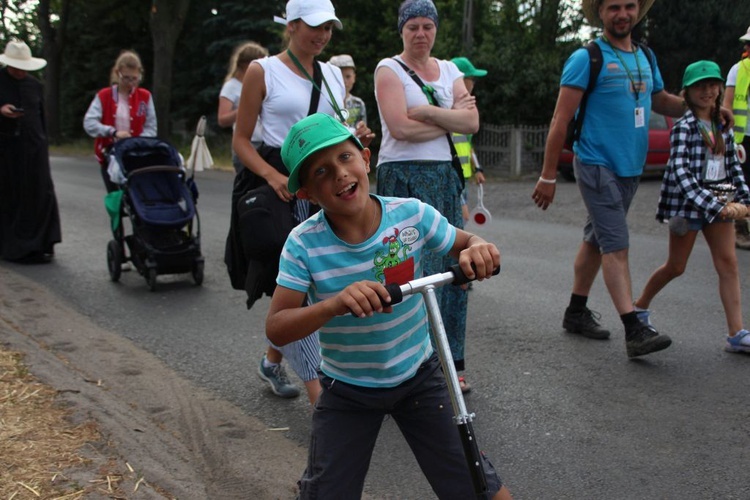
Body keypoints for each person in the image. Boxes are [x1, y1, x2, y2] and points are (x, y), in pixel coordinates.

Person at [267, 112, 512, 500]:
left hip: (420, 374)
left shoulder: (410, 214)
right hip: (346, 388)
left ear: (366, 159)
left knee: (476, 483)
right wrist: (334, 305)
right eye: (320, 172)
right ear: (307, 195)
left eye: (345, 159)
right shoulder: (303, 245)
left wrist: (479, 247)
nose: (339, 175)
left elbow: (466, 242)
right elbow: (277, 327)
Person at [531, 0, 733, 358]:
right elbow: (560, 120)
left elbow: (660, 101)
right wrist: (548, 176)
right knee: (616, 243)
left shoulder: (646, 56)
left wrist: (705, 109)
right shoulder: (586, 58)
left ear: (637, 11)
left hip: (631, 167)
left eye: (628, 6)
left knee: (596, 239)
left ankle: (575, 312)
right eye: (613, 7)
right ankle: (634, 328)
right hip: (596, 163)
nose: (622, 14)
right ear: (601, 14)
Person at [229, 0, 375, 405]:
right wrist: (273, 175)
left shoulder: (332, 74)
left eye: (328, 26)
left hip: (323, 183)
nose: (323, 34)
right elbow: (242, 140)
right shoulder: (263, 70)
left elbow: (334, 131)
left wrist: (354, 137)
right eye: (314, 26)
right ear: (291, 25)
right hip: (278, 181)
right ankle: (320, 396)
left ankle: (272, 359)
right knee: (302, 287)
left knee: (318, 279)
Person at [375, 0, 478, 392]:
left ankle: (452, 361)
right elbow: (399, 129)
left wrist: (428, 113)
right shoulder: (388, 68)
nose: (420, 33)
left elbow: (472, 122)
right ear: (402, 30)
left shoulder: (450, 69)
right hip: (402, 176)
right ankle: (407, 363)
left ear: (436, 29)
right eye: (413, 26)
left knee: (453, 268)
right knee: (405, 269)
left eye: (427, 26)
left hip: (442, 176)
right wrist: (449, 115)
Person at [633, 60, 750, 354]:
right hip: (688, 206)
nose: (708, 91)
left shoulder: (722, 126)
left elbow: (734, 166)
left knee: (728, 263)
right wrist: (713, 206)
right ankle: (638, 308)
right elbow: (681, 174)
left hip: (720, 204)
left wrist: (745, 200)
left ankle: (736, 333)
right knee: (676, 266)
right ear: (687, 92)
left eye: (712, 85)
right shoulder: (684, 128)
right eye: (700, 86)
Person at [0, 40, 61, 263]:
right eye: (15, 67)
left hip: (35, 148)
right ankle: (14, 247)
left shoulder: (35, 85)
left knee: (40, 192)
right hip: (7, 151)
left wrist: (44, 143)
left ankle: (43, 243)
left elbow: (41, 116)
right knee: (11, 196)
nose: (19, 72)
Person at [83, 50, 157, 193]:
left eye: (135, 78)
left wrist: (138, 141)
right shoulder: (104, 95)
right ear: (117, 73)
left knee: (138, 196)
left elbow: (151, 127)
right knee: (115, 197)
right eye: (126, 78)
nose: (130, 83)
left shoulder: (145, 96)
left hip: (136, 154)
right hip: (110, 155)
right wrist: (112, 132)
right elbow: (89, 123)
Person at [217, 41, 269, 174]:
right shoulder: (232, 86)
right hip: (248, 143)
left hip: (265, 142)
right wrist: (247, 107)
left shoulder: (262, 84)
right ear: (245, 64)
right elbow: (222, 119)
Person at [722, 26, 750, 250]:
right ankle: (740, 229)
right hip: (743, 138)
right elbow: (728, 103)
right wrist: (729, 136)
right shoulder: (738, 70)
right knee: (743, 185)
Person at [451, 56, 487, 224]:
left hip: (463, 177)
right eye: (471, 79)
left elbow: (468, 146)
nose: (473, 84)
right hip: (452, 178)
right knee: (460, 221)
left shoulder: (467, 111)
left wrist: (477, 168)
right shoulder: (447, 111)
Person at [328, 54, 367, 130]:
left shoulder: (358, 103)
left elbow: (362, 129)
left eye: (348, 76)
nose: (344, 81)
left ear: (354, 77)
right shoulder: (325, 103)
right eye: (339, 77)